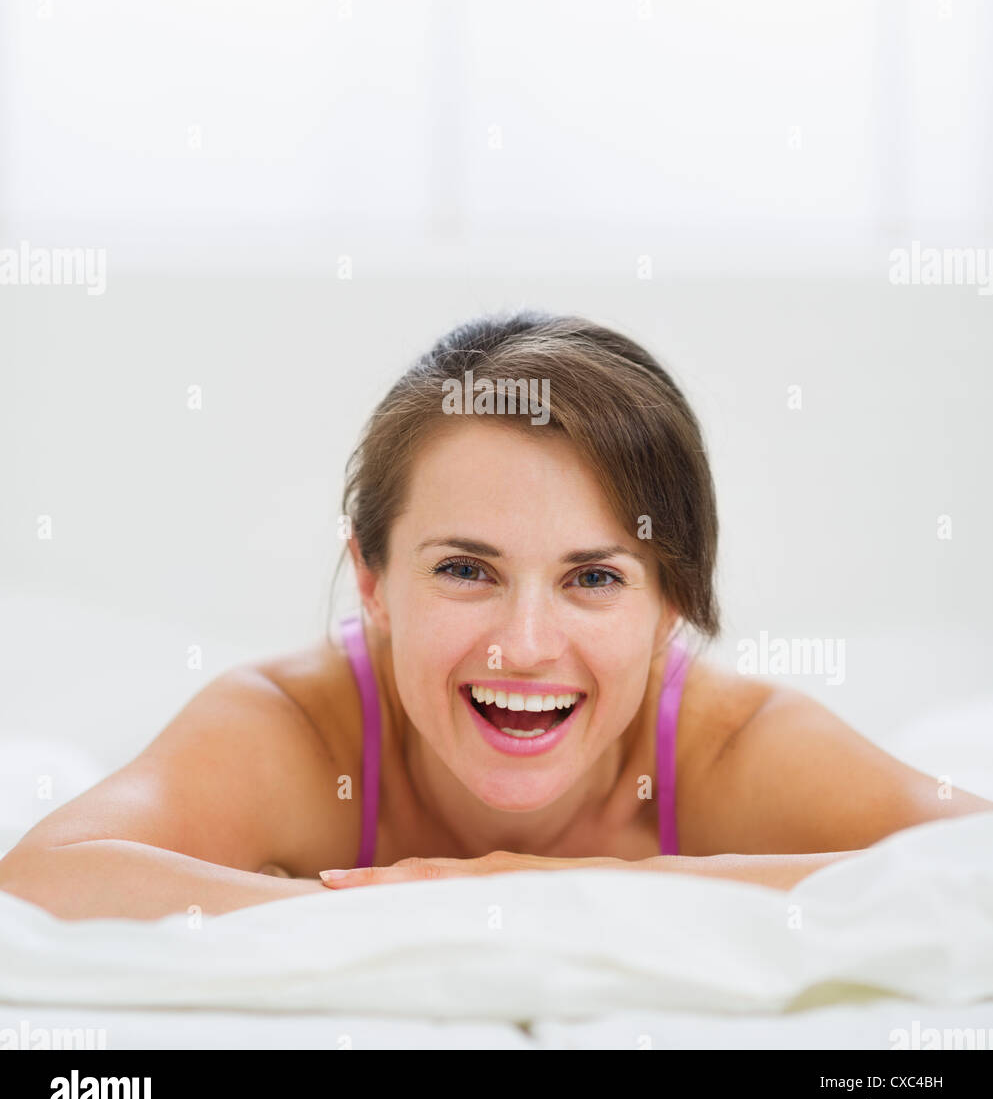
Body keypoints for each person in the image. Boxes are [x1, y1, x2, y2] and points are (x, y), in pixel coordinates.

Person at [1, 311, 989, 920]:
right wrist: (357, 914)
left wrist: (532, 891)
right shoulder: (296, 729)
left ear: (671, 604)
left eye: (594, 579)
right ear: (375, 582)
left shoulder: (732, 748)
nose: (522, 645)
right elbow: (41, 879)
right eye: (467, 569)